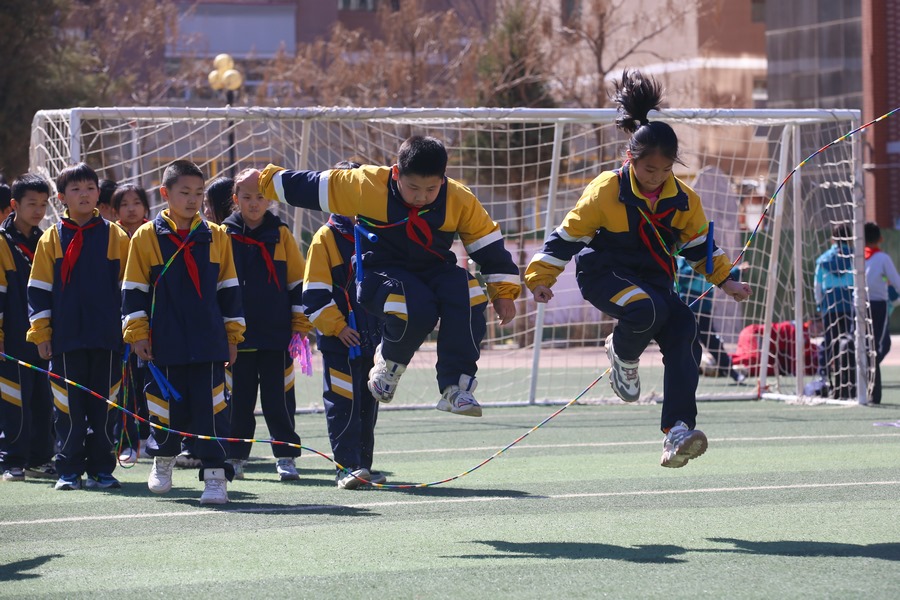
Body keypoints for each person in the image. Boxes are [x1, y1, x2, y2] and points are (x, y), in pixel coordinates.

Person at [525, 70, 751, 468]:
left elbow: (700, 246)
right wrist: (540, 277)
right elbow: (568, 235)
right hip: (603, 275)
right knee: (646, 308)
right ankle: (622, 354)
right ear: (630, 160)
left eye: (665, 171)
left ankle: (677, 431)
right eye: (649, 170)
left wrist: (726, 280)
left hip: (654, 282)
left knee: (684, 328)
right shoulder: (605, 190)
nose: (657, 178)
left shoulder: (684, 200)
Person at [257, 136, 520, 416]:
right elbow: (313, 186)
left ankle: (456, 387)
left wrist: (503, 292)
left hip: (434, 270)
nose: (421, 197)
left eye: (431, 189)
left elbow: (488, 245)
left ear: (443, 180)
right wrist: (265, 180)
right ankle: (388, 364)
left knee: (469, 292)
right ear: (396, 173)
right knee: (412, 304)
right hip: (380, 273)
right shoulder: (367, 184)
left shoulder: (459, 198)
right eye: (413, 188)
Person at [122, 159, 244, 505]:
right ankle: (163, 459)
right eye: (185, 192)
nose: (193, 200)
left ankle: (216, 476)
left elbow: (229, 290)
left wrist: (232, 336)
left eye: (199, 193)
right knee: (163, 407)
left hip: (209, 341)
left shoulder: (217, 236)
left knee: (213, 408)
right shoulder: (146, 236)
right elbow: (134, 290)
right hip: (164, 341)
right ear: (165, 193)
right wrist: (138, 333)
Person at [27, 163, 131, 490]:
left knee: (104, 408)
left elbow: (130, 288)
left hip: (107, 339)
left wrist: (132, 331)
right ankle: (69, 470)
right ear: (61, 198)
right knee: (67, 409)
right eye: (75, 189)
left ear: (99, 194)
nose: (84, 194)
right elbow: (38, 291)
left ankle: (101, 469)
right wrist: (42, 334)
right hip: (65, 339)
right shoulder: (50, 239)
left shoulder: (116, 236)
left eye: (89, 188)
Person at [222, 168, 310, 481]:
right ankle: (235, 457)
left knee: (278, 401)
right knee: (239, 402)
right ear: (236, 199)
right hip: (237, 339)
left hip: (276, 336)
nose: (254, 203)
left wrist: (299, 326)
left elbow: (297, 283)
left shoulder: (281, 234)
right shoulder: (223, 234)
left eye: (260, 197)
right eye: (246, 197)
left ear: (270, 199)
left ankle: (286, 456)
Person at [303, 161, 386, 489]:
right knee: (342, 404)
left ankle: (364, 465)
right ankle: (346, 467)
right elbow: (314, 293)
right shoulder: (325, 238)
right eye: (345, 191)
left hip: (374, 339)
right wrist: (337, 327)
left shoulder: (378, 234)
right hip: (341, 340)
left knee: (368, 405)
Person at [0, 174, 54, 482]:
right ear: (14, 205)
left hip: (43, 338)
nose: (38, 211)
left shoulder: (46, 240)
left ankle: (40, 458)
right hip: (11, 338)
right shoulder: (2, 242)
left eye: (43, 204)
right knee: (14, 402)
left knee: (43, 401)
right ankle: (13, 460)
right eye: (32, 203)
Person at [110, 184, 152, 463]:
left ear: (146, 207)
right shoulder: (109, 236)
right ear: (115, 211)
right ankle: (124, 439)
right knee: (122, 384)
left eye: (136, 202)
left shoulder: (154, 234)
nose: (131, 209)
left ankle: (150, 437)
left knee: (147, 382)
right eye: (124, 204)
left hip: (148, 322)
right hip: (117, 322)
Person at [675, 256, 745, 383]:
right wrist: (697, 268)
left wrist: (738, 270)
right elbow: (680, 277)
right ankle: (685, 372)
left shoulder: (712, 258)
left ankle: (729, 370)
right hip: (687, 306)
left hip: (704, 307)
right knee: (686, 340)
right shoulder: (684, 258)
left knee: (711, 341)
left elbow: (723, 275)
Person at [814, 223, 856, 400]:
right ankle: (851, 379)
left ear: (833, 238)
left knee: (829, 342)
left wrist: (819, 305)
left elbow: (817, 286)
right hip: (849, 305)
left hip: (830, 305)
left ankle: (823, 377)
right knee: (850, 341)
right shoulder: (855, 257)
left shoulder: (823, 260)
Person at [864, 222, 900, 404]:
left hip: (858, 306)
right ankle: (873, 391)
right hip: (877, 305)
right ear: (880, 238)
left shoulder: (857, 258)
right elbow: (896, 281)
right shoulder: (883, 258)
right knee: (879, 346)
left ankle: (863, 383)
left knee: (868, 347)